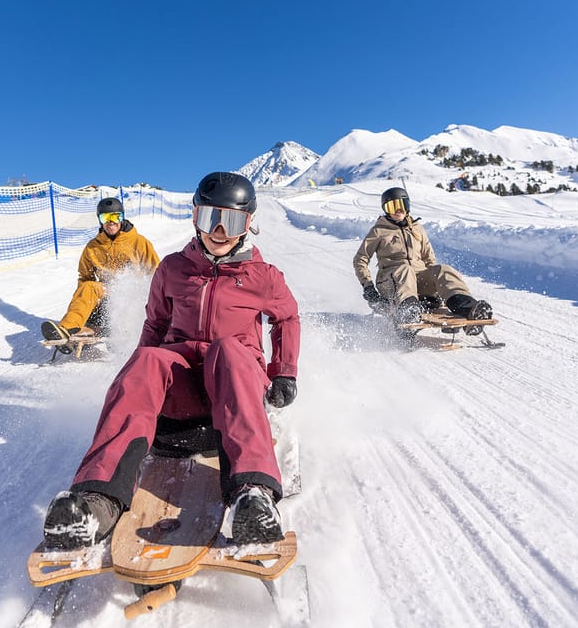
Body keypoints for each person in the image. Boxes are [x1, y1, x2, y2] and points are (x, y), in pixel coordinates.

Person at [41, 172, 300, 550]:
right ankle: (96, 503)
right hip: (180, 407)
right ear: (195, 217)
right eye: (210, 218)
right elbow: (156, 325)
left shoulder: (263, 277)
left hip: (234, 392)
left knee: (229, 350)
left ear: (248, 226)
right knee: (148, 357)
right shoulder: (173, 269)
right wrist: (136, 381)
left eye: (232, 222)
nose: (219, 231)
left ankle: (253, 495)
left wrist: (284, 373)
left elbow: (288, 319)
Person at [353, 186, 492, 333]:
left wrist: (435, 287)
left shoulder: (417, 228)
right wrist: (368, 287)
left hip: (417, 280)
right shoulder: (378, 231)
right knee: (405, 270)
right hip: (391, 282)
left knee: (442, 269)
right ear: (386, 210)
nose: (398, 211)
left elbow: (429, 259)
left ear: (407, 206)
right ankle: (408, 311)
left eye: (401, 205)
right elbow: (360, 259)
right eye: (392, 206)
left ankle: (466, 308)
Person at [41, 197, 160, 346]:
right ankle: (68, 328)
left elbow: (157, 272)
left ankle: (104, 328)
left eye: (116, 216)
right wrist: (86, 306)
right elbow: (84, 277)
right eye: (105, 217)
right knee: (89, 286)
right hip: (106, 296)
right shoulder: (92, 247)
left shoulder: (139, 242)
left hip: (133, 297)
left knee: (126, 293)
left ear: (122, 218)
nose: (111, 222)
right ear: (100, 220)